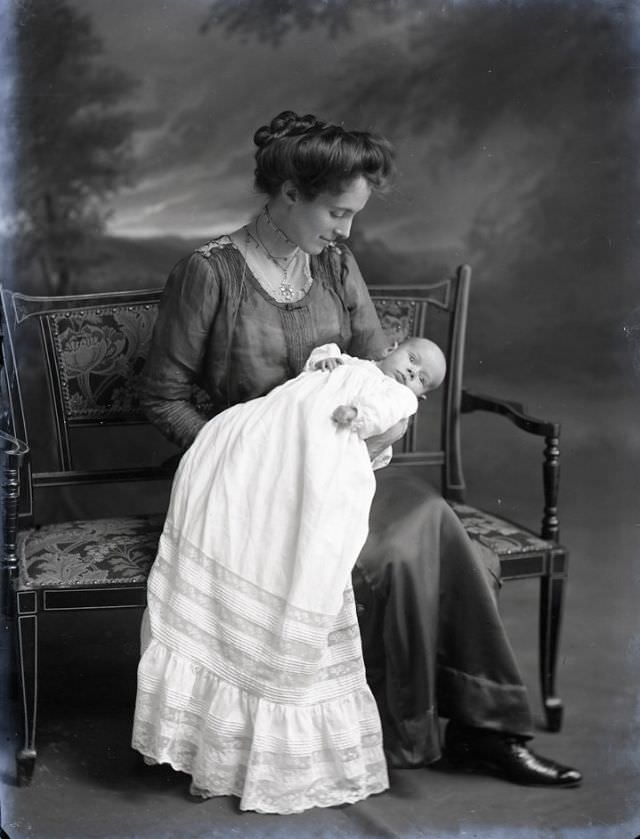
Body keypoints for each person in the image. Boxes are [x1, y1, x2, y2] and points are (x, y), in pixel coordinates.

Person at [134, 110, 582, 800]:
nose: (346, 231)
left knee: (431, 520)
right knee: (399, 550)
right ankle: (424, 732)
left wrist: (380, 429)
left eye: (353, 216)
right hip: (246, 486)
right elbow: (163, 398)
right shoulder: (208, 274)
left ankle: (486, 729)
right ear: (288, 194)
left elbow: (379, 364)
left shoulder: (336, 264)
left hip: (341, 469)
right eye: (336, 213)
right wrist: (248, 455)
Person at [132, 336, 446, 813]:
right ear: (395, 346)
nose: (411, 374)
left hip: (320, 443)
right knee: (234, 444)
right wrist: (325, 359)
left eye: (423, 380)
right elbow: (315, 366)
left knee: (299, 533)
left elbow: (380, 417)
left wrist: (356, 416)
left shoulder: (395, 398)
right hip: (272, 428)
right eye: (413, 360)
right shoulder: (353, 361)